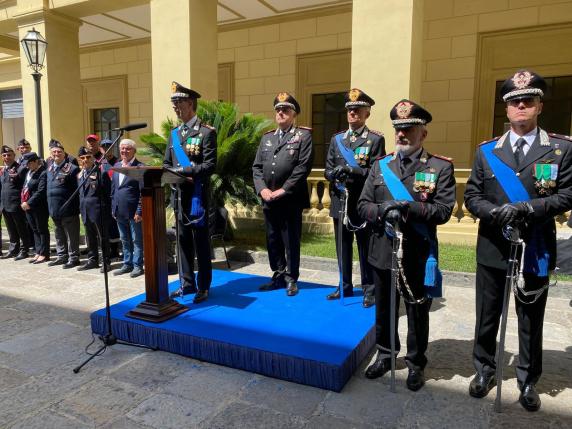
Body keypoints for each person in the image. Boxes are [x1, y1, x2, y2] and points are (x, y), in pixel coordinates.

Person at [464, 70, 572, 412]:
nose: (521, 106)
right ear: (507, 110)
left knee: (530, 316)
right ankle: (483, 370)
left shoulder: (560, 149)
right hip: (494, 242)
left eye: (528, 100)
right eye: (514, 102)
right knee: (487, 314)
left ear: (539, 105)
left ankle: (527, 379)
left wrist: (530, 206)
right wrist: (495, 213)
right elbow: (472, 196)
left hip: (535, 243)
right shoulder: (487, 152)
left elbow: (568, 193)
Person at [358, 99, 455, 391]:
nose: (402, 135)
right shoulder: (379, 166)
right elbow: (363, 205)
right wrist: (382, 211)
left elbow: (443, 210)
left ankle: (415, 363)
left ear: (422, 134)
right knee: (384, 309)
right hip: (382, 250)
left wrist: (408, 208)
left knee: (416, 310)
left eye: (409, 129)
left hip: (417, 251)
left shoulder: (439, 167)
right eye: (398, 129)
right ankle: (386, 353)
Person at [324, 88, 385, 307]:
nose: (353, 114)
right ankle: (345, 285)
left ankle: (369, 289)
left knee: (364, 246)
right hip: (340, 201)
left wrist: (353, 171)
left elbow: (375, 172)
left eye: (358, 110)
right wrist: (334, 174)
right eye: (350, 110)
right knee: (342, 247)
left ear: (367, 113)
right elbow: (328, 168)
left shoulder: (375, 140)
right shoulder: (337, 139)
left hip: (362, 202)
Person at [252, 92, 313, 297]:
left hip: (290, 199)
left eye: (285, 110)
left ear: (293, 114)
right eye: (278, 109)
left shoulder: (303, 136)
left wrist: (283, 190)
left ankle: (291, 278)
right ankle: (277, 274)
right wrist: (263, 189)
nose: (280, 113)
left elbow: (302, 168)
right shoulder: (267, 137)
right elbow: (257, 168)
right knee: (272, 238)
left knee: (290, 240)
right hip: (269, 198)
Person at [164, 82, 216, 304]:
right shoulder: (174, 134)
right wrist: (170, 174)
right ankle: (186, 283)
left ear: (191, 103)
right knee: (182, 242)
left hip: (197, 196)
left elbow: (210, 165)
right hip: (179, 197)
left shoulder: (206, 132)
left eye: (179, 102)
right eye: (173, 103)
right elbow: (167, 163)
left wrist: (184, 170)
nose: (176, 107)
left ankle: (203, 286)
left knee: (200, 242)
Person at [111, 139, 145, 278]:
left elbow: (143, 192)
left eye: (127, 149)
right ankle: (127, 263)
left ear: (134, 151)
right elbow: (114, 190)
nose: (124, 151)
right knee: (124, 239)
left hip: (133, 212)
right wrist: (113, 208)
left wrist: (139, 210)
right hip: (119, 211)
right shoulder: (117, 165)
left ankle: (137, 266)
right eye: (122, 149)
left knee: (136, 240)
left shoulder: (140, 167)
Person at [46, 140, 81, 269]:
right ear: (50, 155)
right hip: (54, 208)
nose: (56, 153)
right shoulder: (49, 168)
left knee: (72, 235)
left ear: (64, 154)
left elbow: (77, 190)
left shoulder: (72, 168)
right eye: (54, 152)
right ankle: (62, 256)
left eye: (59, 152)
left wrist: (74, 206)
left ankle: (74, 257)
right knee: (58, 234)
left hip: (68, 208)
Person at [77, 147, 112, 272]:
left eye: (88, 157)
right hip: (85, 211)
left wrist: (107, 211)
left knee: (102, 237)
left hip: (99, 211)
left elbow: (108, 194)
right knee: (89, 237)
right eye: (82, 158)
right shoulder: (80, 175)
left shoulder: (100, 172)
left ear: (93, 158)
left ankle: (105, 261)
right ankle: (92, 260)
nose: (85, 160)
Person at [0, 145, 32, 260]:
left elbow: (25, 186)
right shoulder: (3, 170)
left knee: (21, 228)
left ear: (14, 156)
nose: (7, 157)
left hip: (16, 204)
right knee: (11, 229)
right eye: (4, 155)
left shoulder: (20, 168)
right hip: (5, 204)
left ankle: (24, 250)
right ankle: (13, 250)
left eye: (9, 155)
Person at [20, 152, 49, 264]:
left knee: (42, 229)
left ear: (36, 161)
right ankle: (38, 251)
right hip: (28, 206)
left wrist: (29, 202)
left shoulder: (43, 173)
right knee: (35, 230)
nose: (27, 166)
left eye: (29, 163)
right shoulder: (29, 172)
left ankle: (44, 253)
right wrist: (23, 201)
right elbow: (25, 187)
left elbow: (41, 191)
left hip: (39, 206)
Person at [100, 138, 121, 259]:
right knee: (106, 226)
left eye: (109, 146)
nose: (107, 148)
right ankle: (107, 251)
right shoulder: (100, 163)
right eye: (104, 147)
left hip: (114, 198)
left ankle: (115, 251)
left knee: (114, 226)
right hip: (103, 199)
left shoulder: (118, 162)